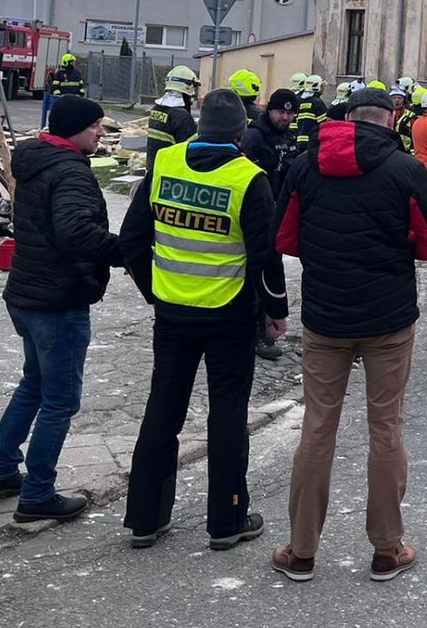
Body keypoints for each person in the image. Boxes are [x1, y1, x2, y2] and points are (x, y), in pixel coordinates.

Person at [270, 87, 427, 584]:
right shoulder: (404, 169)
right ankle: (387, 550)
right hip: (388, 319)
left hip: (325, 318)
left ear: (346, 118)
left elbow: (283, 236)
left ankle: (302, 552)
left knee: (317, 428)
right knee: (386, 428)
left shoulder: (306, 165)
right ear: (391, 118)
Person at [120, 90, 289, 551]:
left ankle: (144, 519)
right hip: (229, 314)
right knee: (228, 415)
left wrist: (154, 289)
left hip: (172, 311)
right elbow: (264, 257)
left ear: (198, 126)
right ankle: (227, 521)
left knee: (162, 411)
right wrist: (276, 313)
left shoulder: (166, 164)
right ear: (239, 133)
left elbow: (131, 240)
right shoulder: (248, 178)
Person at [0, 95, 124, 523]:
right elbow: (76, 233)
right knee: (60, 400)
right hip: (57, 301)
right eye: (95, 126)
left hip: (26, 293)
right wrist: (126, 251)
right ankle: (38, 494)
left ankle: (3, 471)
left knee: (34, 386)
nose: (101, 132)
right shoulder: (70, 173)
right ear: (74, 129)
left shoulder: (35, 160)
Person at [242, 88, 299, 363]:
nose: (285, 117)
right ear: (270, 110)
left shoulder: (288, 137)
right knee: (257, 274)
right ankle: (257, 335)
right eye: (281, 111)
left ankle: (265, 328)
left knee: (270, 273)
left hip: (277, 214)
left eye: (290, 112)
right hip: (255, 215)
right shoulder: (254, 137)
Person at [146, 66, 200, 172]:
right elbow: (191, 151)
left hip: (154, 169)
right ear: (188, 86)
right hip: (171, 173)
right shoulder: (182, 117)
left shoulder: (156, 109)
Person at [42, 53, 85, 128]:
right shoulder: (60, 73)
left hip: (75, 99)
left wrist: (81, 93)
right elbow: (55, 87)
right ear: (66, 63)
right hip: (64, 99)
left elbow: (80, 84)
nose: (72, 64)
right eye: (71, 62)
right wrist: (58, 97)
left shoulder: (77, 73)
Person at [293, 75, 326, 152]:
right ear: (316, 86)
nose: (323, 88)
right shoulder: (318, 103)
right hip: (312, 141)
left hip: (298, 141)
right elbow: (323, 124)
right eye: (322, 86)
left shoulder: (299, 101)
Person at [390, 86, 415, 152]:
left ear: (404, 100)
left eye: (399, 98)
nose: (396, 100)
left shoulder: (410, 116)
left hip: (406, 151)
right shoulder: (386, 114)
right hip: (390, 150)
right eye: (394, 98)